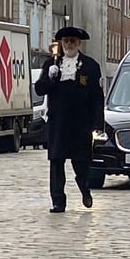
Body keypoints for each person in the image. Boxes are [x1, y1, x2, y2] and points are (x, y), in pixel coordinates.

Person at [35, 26, 104, 213]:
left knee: (81, 162)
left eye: (72, 41)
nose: (69, 44)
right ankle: (58, 201)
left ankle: (85, 189)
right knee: (56, 162)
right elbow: (39, 89)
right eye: (66, 41)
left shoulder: (90, 66)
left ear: (78, 43)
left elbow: (97, 98)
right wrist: (50, 78)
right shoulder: (51, 64)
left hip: (81, 123)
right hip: (58, 122)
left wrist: (98, 125)